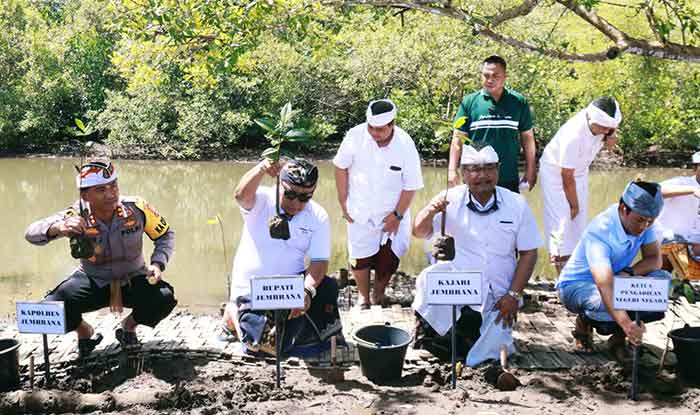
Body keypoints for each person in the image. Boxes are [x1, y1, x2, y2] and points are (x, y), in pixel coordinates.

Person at [24, 159, 177, 356]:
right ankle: (84, 331)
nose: (111, 194)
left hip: (134, 277)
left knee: (164, 298)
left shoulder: (137, 208)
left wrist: (157, 264)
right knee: (51, 308)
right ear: (85, 195)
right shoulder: (74, 214)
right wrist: (57, 229)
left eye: (114, 186)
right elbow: (30, 234)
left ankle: (128, 327)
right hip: (92, 279)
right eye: (101, 190)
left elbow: (165, 235)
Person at [412, 145, 541, 364]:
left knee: (492, 351)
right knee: (429, 276)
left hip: (499, 292)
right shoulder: (449, 198)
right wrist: (431, 210)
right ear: (463, 173)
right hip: (461, 285)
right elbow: (419, 231)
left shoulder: (516, 204)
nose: (482, 175)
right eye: (473, 169)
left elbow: (529, 253)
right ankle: (429, 333)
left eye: (489, 168)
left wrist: (513, 295)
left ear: (498, 170)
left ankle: (469, 341)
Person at [221, 158, 342, 356]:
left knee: (327, 288)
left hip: (291, 287)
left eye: (305, 197)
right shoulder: (260, 200)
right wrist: (262, 167)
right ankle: (233, 312)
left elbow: (319, 261)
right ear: (279, 184)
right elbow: (240, 195)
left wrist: (307, 290)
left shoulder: (318, 215)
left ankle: (297, 325)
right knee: (262, 347)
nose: (296, 203)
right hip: (254, 289)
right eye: (290, 194)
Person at [555, 181, 671, 359]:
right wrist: (628, 325)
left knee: (659, 282)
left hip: (615, 279)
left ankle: (617, 339)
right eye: (640, 220)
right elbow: (605, 285)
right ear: (624, 209)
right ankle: (583, 324)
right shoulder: (602, 230)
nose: (644, 227)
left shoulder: (646, 221)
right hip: (578, 285)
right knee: (607, 301)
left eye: (650, 221)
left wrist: (629, 274)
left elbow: (655, 260)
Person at [333, 99, 424, 309]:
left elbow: (411, 185)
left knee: (389, 259)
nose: (374, 133)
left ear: (392, 124)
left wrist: (397, 215)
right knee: (360, 257)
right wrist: (342, 200)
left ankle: (379, 294)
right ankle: (363, 298)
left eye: (380, 129)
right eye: (371, 128)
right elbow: (340, 167)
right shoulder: (355, 136)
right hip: (360, 210)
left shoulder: (405, 143)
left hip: (393, 212)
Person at [540, 97, 623, 273]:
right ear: (592, 120)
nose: (607, 131)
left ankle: (576, 271)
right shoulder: (573, 135)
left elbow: (610, 130)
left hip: (579, 171)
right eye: (604, 128)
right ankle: (561, 277)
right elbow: (566, 176)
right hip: (557, 173)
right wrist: (574, 205)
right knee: (562, 222)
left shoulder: (604, 126)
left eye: (610, 128)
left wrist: (609, 136)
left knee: (578, 226)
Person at [448, 55, 536, 192]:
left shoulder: (518, 102)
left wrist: (531, 169)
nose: (490, 80)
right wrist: (452, 170)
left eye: (496, 75)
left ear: (505, 76)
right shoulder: (469, 102)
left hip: (508, 178)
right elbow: (457, 138)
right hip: (475, 178)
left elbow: (528, 138)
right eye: (486, 75)